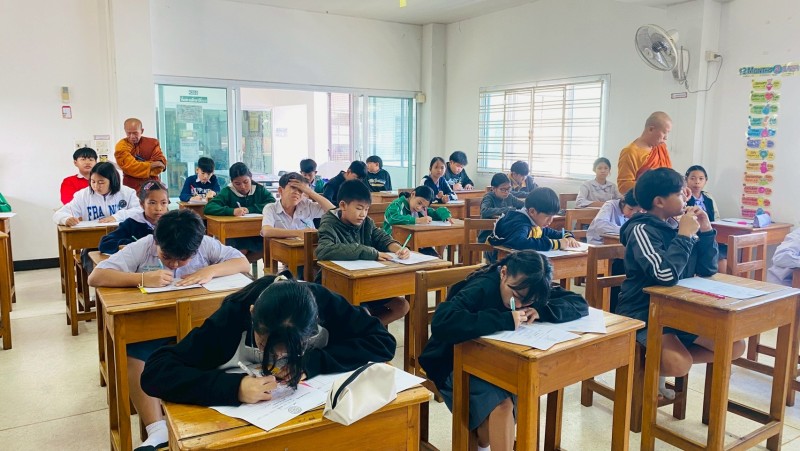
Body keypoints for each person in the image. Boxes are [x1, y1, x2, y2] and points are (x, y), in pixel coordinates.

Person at [88, 209, 249, 451]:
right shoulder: (144, 246)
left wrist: (210, 270)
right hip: (153, 327)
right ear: (157, 241)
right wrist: (142, 279)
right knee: (135, 354)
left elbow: (242, 262)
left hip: (196, 326)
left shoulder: (205, 245)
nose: (173, 264)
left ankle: (209, 422)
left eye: (182, 260)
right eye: (167, 257)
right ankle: (157, 429)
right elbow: (96, 276)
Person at [140, 274, 396, 407]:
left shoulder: (323, 303)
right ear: (252, 315)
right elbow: (156, 371)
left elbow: (382, 342)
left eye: (294, 348)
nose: (278, 358)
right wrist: (235, 388)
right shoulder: (233, 316)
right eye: (265, 346)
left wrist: (311, 362)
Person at [419, 251, 588, 451]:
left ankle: (483, 440)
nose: (521, 304)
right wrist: (503, 320)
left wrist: (540, 310)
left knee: (521, 393)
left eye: (529, 302)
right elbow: (442, 321)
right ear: (503, 273)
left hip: (499, 361)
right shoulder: (482, 287)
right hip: (451, 360)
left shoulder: (531, 286)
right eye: (517, 296)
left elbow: (579, 303)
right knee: (503, 406)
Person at [617, 168, 745, 399]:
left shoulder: (676, 225)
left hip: (679, 309)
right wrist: (684, 236)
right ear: (659, 201)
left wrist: (706, 231)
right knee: (678, 363)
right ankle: (651, 370)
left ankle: (655, 364)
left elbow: (707, 270)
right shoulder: (641, 230)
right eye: (678, 193)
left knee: (735, 345)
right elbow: (665, 275)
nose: (686, 197)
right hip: (644, 311)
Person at [316, 180, 411, 326]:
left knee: (402, 306)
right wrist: (368, 252)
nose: (363, 214)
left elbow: (382, 238)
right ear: (343, 205)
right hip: (336, 284)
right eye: (359, 208)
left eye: (366, 209)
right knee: (362, 313)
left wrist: (398, 248)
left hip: (364, 282)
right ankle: (364, 331)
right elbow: (324, 250)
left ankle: (365, 331)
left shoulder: (366, 222)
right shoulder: (329, 222)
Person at [204, 162, 276, 262]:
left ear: (251, 178)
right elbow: (209, 207)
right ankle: (237, 266)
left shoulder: (259, 189)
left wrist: (250, 209)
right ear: (232, 182)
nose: (242, 186)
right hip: (234, 234)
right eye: (237, 184)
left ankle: (238, 266)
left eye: (246, 182)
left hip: (257, 233)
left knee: (268, 246)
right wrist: (231, 211)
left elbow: (272, 204)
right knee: (240, 250)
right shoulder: (227, 192)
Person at [488, 187, 581, 252]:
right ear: (532, 211)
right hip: (499, 263)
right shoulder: (520, 222)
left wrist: (568, 237)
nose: (550, 221)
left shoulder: (534, 221)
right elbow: (519, 242)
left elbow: (553, 233)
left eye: (553, 216)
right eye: (547, 216)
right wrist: (555, 244)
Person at [52, 162, 139, 226]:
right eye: (93, 181)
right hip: (93, 237)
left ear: (112, 181)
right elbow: (58, 214)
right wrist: (65, 219)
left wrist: (117, 217)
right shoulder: (82, 196)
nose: (96, 186)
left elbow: (140, 210)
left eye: (101, 182)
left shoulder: (127, 193)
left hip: (122, 235)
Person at [98, 181, 169, 254]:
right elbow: (105, 244)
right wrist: (132, 245)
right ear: (142, 204)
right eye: (152, 203)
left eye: (163, 203)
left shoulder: (172, 223)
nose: (158, 208)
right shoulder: (131, 224)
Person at [261, 172, 334, 239]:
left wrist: (310, 192)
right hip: (284, 248)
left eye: (301, 190)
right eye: (293, 187)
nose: (297, 192)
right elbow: (266, 231)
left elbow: (333, 211)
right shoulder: (271, 208)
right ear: (280, 190)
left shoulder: (306, 205)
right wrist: (299, 233)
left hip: (309, 247)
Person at [382, 186, 452, 256]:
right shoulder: (397, 204)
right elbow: (392, 218)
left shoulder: (422, 210)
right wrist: (417, 220)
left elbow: (435, 213)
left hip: (416, 243)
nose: (419, 208)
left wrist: (445, 214)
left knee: (436, 258)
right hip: (393, 244)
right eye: (419, 203)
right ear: (413, 194)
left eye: (423, 207)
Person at [617, 111, 673, 194]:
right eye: (664, 132)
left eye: (668, 133)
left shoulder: (661, 147)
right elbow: (624, 186)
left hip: (664, 198)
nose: (666, 138)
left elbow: (670, 175)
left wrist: (680, 188)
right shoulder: (630, 152)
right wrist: (654, 188)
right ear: (651, 129)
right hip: (643, 200)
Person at [685, 165, 726, 272]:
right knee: (720, 260)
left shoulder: (708, 197)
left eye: (701, 179)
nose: (697, 182)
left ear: (706, 181)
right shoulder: (684, 197)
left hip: (708, 233)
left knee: (725, 254)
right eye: (693, 178)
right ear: (686, 180)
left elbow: (716, 218)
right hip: (693, 235)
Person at [114, 118, 167, 191]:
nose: (132, 136)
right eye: (129, 133)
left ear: (142, 131)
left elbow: (159, 167)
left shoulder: (153, 143)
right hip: (131, 187)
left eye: (135, 133)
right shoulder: (121, 146)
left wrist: (138, 167)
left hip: (152, 186)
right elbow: (129, 167)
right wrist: (151, 165)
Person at [479, 173, 524, 243]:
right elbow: (484, 211)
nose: (506, 192)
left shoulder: (510, 197)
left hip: (504, 235)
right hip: (489, 237)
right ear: (493, 189)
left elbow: (523, 205)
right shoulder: (489, 197)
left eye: (509, 188)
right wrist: (507, 209)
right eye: (503, 189)